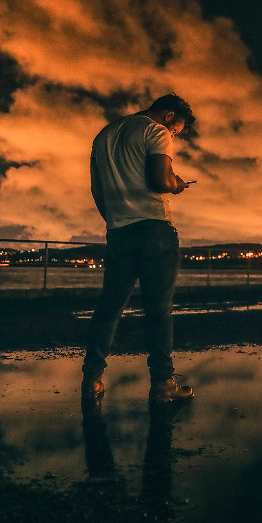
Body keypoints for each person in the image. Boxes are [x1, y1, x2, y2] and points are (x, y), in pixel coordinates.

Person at [83, 93, 196, 403]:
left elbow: (97, 189)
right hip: (155, 230)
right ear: (169, 115)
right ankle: (163, 385)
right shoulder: (155, 130)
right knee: (159, 311)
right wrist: (178, 183)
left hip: (119, 232)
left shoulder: (104, 135)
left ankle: (91, 380)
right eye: (177, 130)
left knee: (109, 308)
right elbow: (160, 181)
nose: (174, 135)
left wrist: (116, 219)